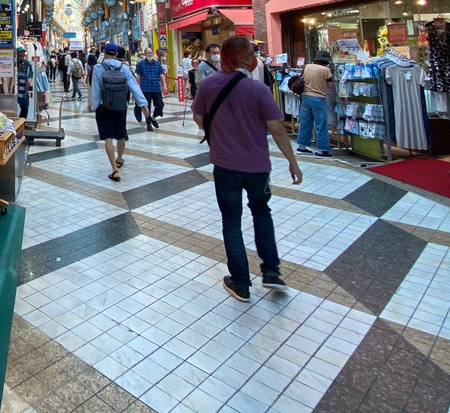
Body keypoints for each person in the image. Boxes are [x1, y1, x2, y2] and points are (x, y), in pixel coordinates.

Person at [192, 36, 303, 302]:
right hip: (257, 167)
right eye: (252, 51)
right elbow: (276, 128)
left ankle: (240, 283)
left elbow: (198, 118)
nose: (255, 55)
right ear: (242, 57)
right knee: (262, 213)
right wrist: (292, 161)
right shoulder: (258, 90)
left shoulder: (208, 85)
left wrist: (218, 129)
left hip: (225, 166)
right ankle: (272, 272)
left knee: (231, 221)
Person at [91, 42, 148, 182]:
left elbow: (96, 88)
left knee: (108, 137)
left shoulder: (98, 68)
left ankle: (114, 170)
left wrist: (95, 105)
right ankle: (120, 158)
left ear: (104, 52)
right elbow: (133, 86)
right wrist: (143, 104)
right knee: (121, 134)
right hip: (121, 106)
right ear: (116, 54)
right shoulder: (124, 68)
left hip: (104, 107)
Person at [296, 50, 334, 157]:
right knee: (321, 124)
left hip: (305, 97)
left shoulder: (307, 66)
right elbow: (330, 86)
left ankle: (301, 147)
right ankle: (322, 150)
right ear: (326, 61)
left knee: (305, 122)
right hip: (319, 98)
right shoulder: (326, 70)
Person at [134, 48, 167, 130]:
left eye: (151, 53)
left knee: (160, 105)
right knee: (147, 107)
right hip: (145, 88)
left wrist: (164, 84)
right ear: (145, 54)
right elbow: (138, 76)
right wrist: (137, 88)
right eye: (148, 53)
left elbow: (161, 74)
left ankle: (153, 117)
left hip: (156, 87)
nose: (150, 54)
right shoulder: (141, 64)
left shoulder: (157, 63)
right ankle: (148, 124)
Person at [15, 46, 34, 119]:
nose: (22, 57)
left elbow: (30, 74)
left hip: (24, 88)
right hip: (15, 87)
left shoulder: (27, 63)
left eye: (23, 56)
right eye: (20, 55)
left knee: (25, 107)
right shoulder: (14, 62)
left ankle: (22, 122)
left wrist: (29, 80)